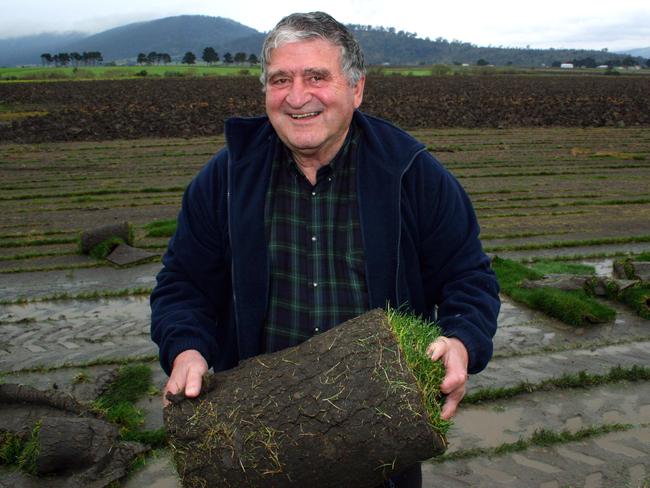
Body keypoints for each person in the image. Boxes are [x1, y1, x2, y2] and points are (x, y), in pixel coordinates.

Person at [151, 11, 500, 487]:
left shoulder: (412, 174)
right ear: (265, 92)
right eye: (281, 80)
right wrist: (186, 349)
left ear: (356, 89)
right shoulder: (226, 179)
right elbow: (183, 284)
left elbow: (469, 279)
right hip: (258, 429)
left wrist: (461, 341)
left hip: (376, 432)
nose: (297, 97)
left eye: (317, 77)